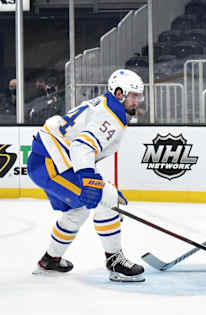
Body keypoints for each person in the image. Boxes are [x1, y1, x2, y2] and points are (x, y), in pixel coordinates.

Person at [27, 69, 145, 282]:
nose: (137, 100)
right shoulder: (112, 115)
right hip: (51, 163)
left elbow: (80, 143)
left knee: (79, 210)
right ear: (119, 93)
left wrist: (91, 180)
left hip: (48, 160)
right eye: (134, 95)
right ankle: (115, 261)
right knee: (107, 198)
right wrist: (91, 181)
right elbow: (82, 146)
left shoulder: (105, 104)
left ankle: (50, 260)